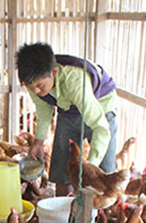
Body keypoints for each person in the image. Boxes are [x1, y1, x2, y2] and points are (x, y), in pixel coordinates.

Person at [16, 42, 118, 195]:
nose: (36, 91)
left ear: (54, 73)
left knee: (106, 176)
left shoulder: (74, 82)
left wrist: (90, 167)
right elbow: (43, 110)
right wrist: (38, 142)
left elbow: (101, 128)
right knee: (61, 168)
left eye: (40, 85)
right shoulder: (34, 81)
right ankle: (62, 206)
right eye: (31, 87)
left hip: (100, 108)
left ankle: (104, 210)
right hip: (69, 109)